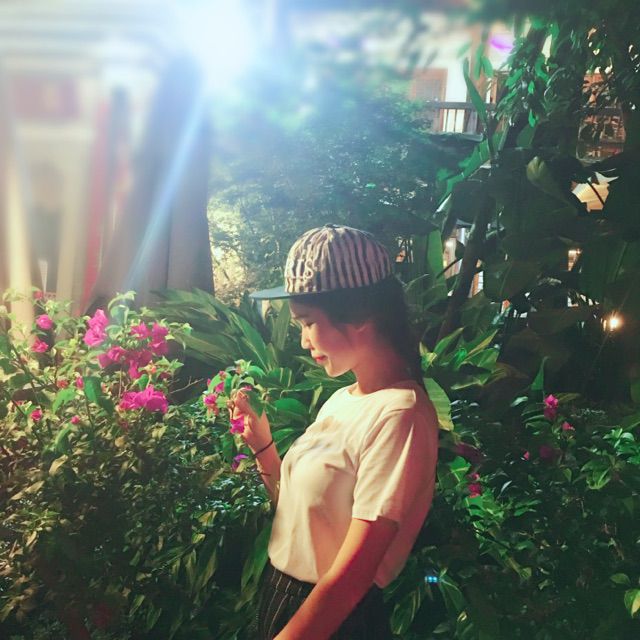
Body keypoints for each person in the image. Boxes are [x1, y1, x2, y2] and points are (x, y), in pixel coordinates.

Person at [230, 225, 439, 640]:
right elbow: (302, 516)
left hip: (332, 622)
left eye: (308, 322)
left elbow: (351, 580)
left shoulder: (401, 415)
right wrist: (263, 446)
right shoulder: (342, 398)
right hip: (287, 601)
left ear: (360, 315)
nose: (303, 340)